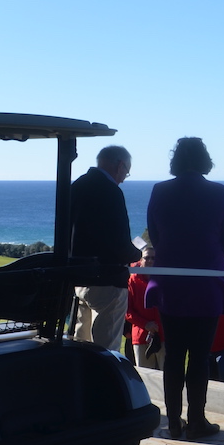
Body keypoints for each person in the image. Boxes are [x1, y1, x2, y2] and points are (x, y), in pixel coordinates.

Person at [146, 137, 224, 441]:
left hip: (171, 281)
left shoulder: (160, 190)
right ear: (204, 159)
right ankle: (196, 420)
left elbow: (155, 235)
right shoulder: (219, 192)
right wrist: (207, 257)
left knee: (173, 354)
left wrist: (174, 254)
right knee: (199, 355)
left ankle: (173, 422)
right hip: (206, 281)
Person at [69, 145, 140, 351]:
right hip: (107, 280)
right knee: (106, 347)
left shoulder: (78, 186)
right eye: (126, 171)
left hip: (78, 277)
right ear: (119, 165)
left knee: (79, 341)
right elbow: (119, 241)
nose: (125, 177)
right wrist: (136, 253)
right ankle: (102, 383)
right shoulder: (111, 192)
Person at [127, 245, 165, 369]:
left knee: (167, 377)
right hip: (141, 336)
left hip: (164, 336)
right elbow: (127, 310)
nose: (150, 261)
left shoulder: (165, 279)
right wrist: (145, 324)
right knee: (146, 378)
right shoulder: (132, 280)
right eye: (146, 257)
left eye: (153, 258)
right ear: (140, 260)